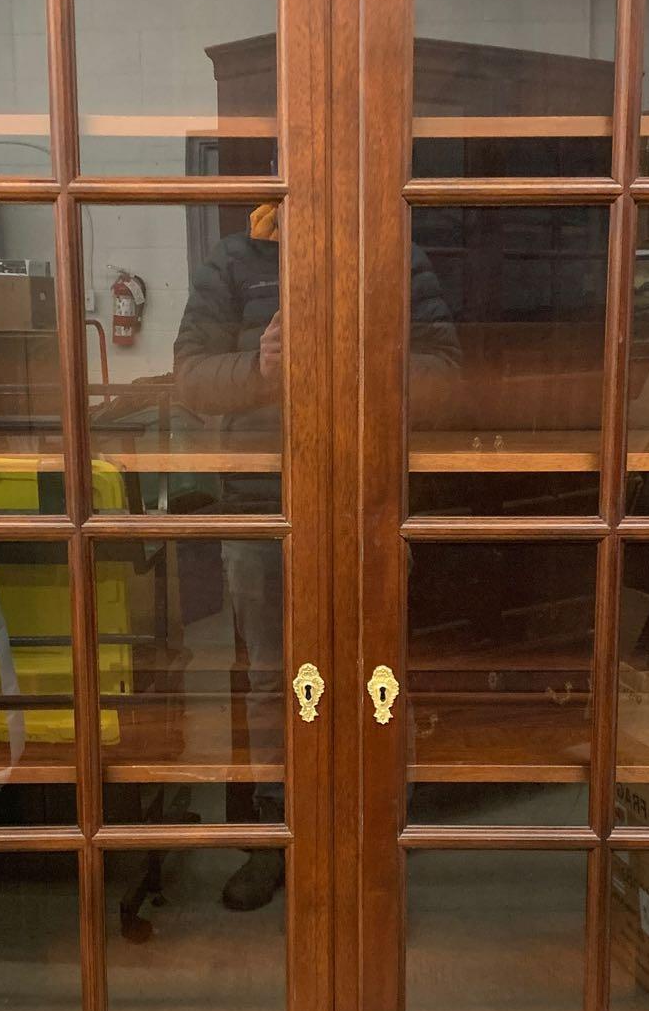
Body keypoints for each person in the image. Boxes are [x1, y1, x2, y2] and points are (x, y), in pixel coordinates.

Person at [173, 204, 459, 909]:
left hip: (371, 504)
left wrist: (373, 357)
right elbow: (191, 379)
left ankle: (383, 842)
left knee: (381, 675)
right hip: (261, 503)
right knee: (276, 680)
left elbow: (446, 375)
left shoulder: (394, 255)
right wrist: (260, 366)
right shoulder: (231, 263)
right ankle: (280, 836)